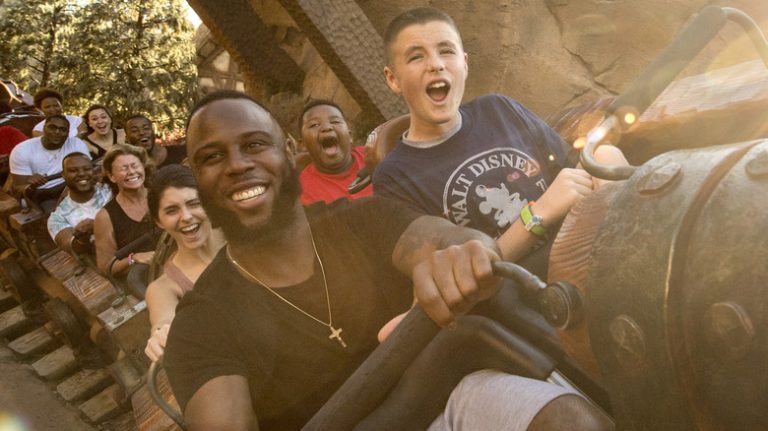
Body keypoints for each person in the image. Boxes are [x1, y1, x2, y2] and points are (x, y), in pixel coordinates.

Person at [163, 91, 610, 431]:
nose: (237, 165)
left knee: (570, 419)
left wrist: (465, 250)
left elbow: (444, 239)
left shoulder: (363, 220)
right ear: (197, 178)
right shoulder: (201, 325)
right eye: (212, 157)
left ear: (287, 151)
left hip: (452, 400)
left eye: (254, 145)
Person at [373, 7, 627, 262]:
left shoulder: (498, 108)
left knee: (605, 156)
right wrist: (537, 215)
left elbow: (572, 170)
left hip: (585, 249)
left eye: (446, 51)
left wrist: (605, 161)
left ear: (465, 63)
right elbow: (459, 282)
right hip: (532, 292)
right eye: (416, 57)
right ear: (393, 79)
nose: (436, 65)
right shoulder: (394, 178)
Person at [143, 164, 224, 362]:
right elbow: (163, 320)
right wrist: (162, 335)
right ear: (159, 221)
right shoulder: (164, 287)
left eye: (194, 203)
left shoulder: (241, 236)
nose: (186, 217)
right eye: (172, 211)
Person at [93, 144, 158, 276]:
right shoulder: (105, 217)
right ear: (112, 176)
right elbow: (106, 267)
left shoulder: (162, 195)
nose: (132, 172)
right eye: (124, 168)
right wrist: (133, 258)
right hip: (144, 276)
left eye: (135, 166)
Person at [298, 99, 373, 205]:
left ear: (350, 136)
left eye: (335, 122)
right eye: (314, 125)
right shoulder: (303, 191)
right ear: (303, 145)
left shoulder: (376, 156)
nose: (327, 127)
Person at [9, 115, 91, 212]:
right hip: (45, 195)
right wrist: (28, 181)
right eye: (52, 127)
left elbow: (87, 171)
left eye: (62, 129)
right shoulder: (22, 150)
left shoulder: (76, 143)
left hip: (75, 187)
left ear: (68, 133)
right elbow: (18, 188)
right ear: (44, 128)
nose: (57, 132)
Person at [47, 152, 112, 254]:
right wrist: (82, 239)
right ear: (63, 175)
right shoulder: (57, 218)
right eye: (73, 170)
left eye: (86, 169)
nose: (81, 174)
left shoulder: (111, 188)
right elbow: (72, 248)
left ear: (93, 171)